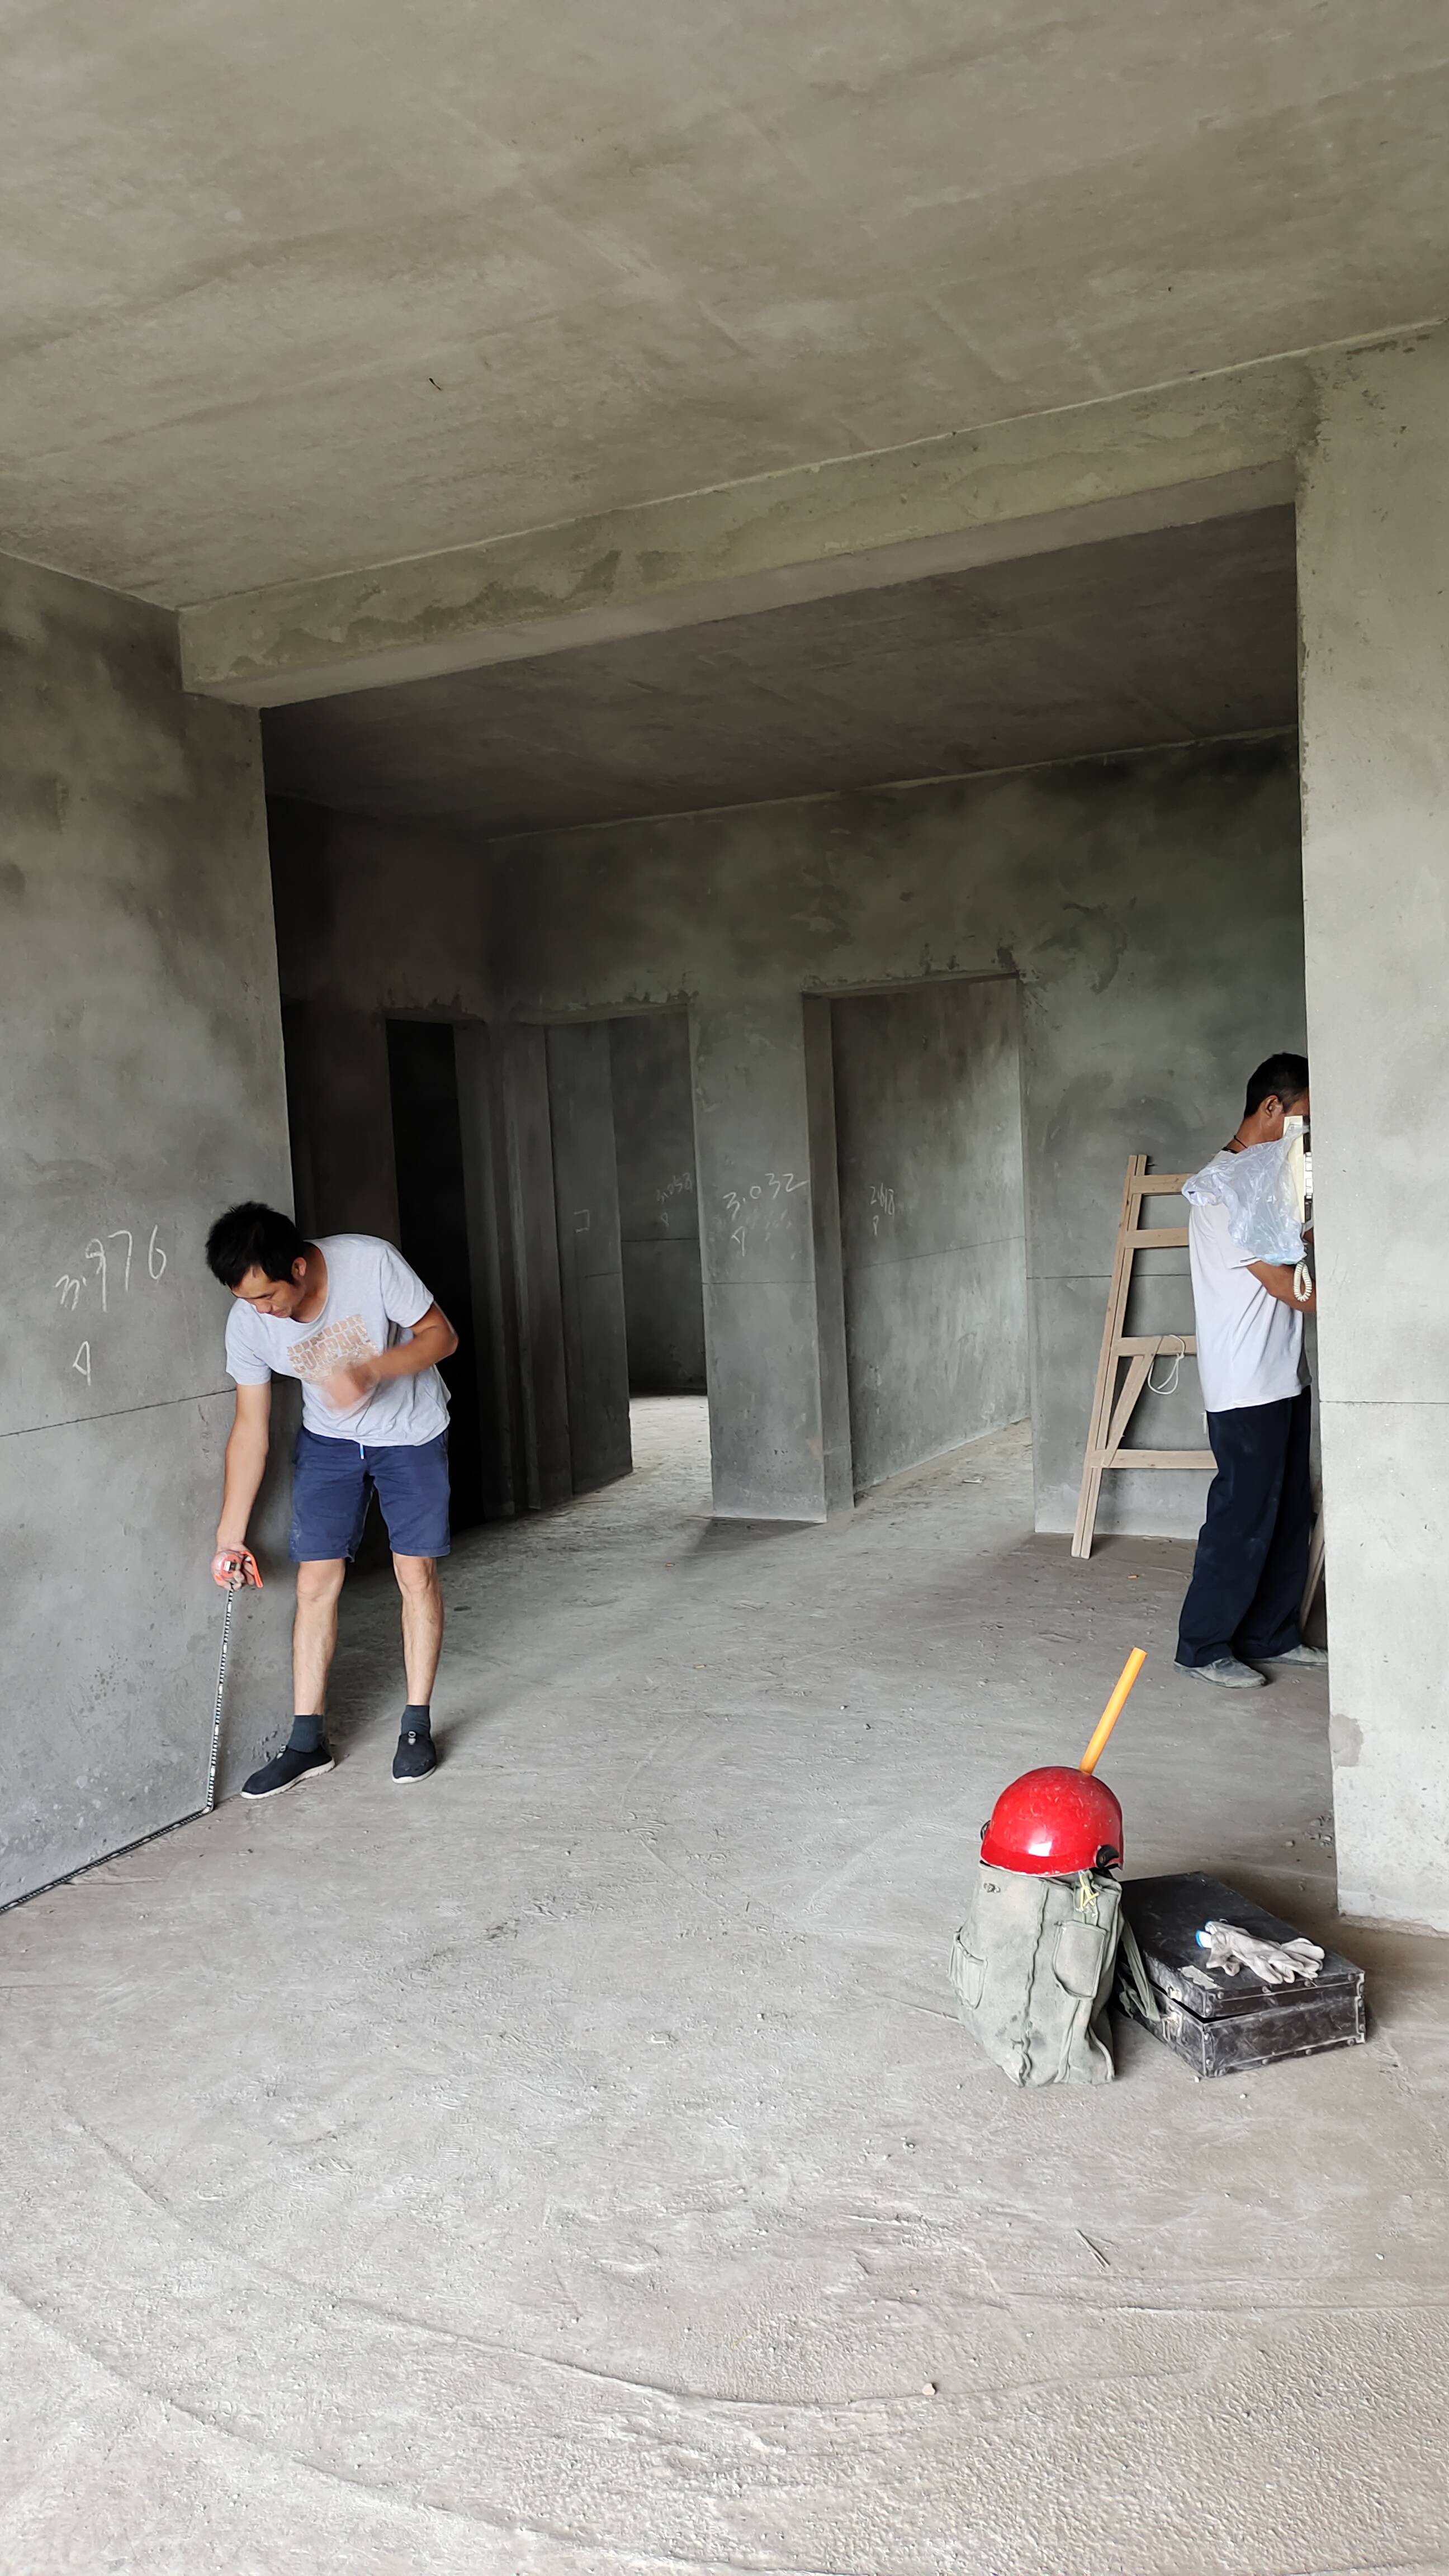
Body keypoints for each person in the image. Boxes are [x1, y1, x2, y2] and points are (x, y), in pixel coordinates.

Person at [205, 1201, 459, 1793]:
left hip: (411, 1434)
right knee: (315, 1582)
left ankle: (417, 1725)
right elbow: (250, 1428)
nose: (261, 1312)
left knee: (414, 1571)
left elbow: (441, 1335)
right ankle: (306, 1742)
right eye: (246, 1300)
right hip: (330, 1444)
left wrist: (373, 1371)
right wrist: (229, 1535)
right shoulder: (248, 1323)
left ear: (298, 1268)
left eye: (267, 1297)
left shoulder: (369, 1263)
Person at [1176, 1053, 1328, 1690]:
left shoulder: (1270, 1182)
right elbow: (1291, 1288)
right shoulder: (1222, 1189)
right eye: (1303, 1119)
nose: (1307, 1134)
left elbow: (1299, 1253)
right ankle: (1202, 1646)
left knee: (1290, 1511)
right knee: (1242, 1517)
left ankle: (1272, 1634)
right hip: (1244, 1386)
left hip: (1283, 1377)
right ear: (1271, 1107)